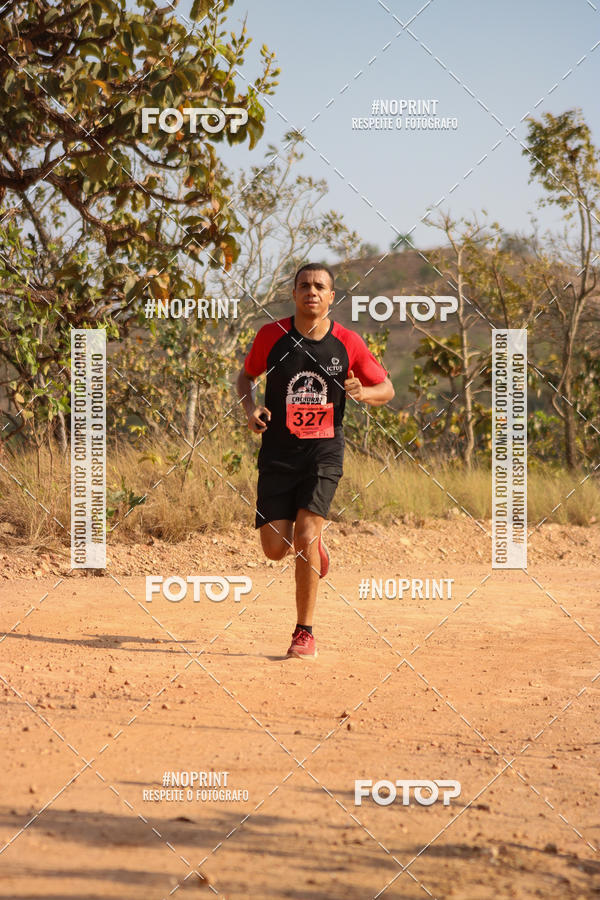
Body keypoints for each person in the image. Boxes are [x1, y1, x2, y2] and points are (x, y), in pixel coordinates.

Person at [236, 263, 394, 659]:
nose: (312, 291)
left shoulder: (348, 342)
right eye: (304, 285)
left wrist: (363, 392)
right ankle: (314, 550)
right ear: (294, 294)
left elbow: (386, 388)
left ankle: (303, 633)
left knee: (306, 536)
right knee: (275, 549)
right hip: (278, 452)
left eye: (319, 286)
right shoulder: (270, 335)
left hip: (324, 452)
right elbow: (245, 377)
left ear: (331, 297)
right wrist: (250, 410)